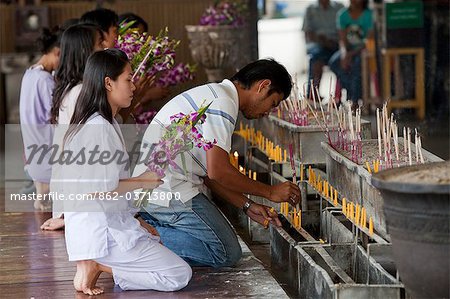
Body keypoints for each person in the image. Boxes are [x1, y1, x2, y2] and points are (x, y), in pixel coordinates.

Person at [134, 59, 301, 267]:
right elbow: (218, 172)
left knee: (220, 246)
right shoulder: (223, 103)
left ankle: (145, 226)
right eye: (273, 103)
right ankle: (136, 236)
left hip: (155, 187)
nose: (268, 112)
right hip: (167, 190)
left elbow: (208, 174)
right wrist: (270, 192)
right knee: (225, 252)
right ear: (263, 86)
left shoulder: (216, 94)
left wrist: (247, 205)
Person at [61, 48, 192, 295]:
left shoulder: (105, 122)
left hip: (104, 224)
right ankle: (98, 264)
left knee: (161, 249)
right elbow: (98, 189)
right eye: (129, 79)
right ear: (108, 83)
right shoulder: (98, 127)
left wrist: (137, 220)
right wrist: (143, 181)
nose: (134, 86)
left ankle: (97, 263)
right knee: (178, 275)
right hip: (101, 232)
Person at [40, 23, 103, 230]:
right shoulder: (79, 93)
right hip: (77, 201)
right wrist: (68, 214)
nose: (104, 48)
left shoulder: (73, 88)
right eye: (99, 43)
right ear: (86, 52)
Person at [19, 27, 62, 210]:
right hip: (47, 154)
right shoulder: (45, 80)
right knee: (48, 208)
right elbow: (55, 117)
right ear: (57, 52)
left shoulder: (30, 73)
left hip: (34, 151)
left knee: (42, 205)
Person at [329, 0, 374, 106]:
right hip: (348, 50)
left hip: (364, 51)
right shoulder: (342, 15)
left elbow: (368, 41)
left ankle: (354, 100)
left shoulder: (369, 15)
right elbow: (342, 40)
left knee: (357, 64)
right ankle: (354, 92)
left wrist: (350, 54)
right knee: (334, 62)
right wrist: (345, 53)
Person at [302, 0, 344, 95]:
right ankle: (313, 96)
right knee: (316, 58)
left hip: (336, 45)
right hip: (317, 45)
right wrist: (324, 41)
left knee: (341, 60)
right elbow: (308, 33)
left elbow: (345, 30)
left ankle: (337, 97)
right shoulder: (310, 9)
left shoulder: (339, 7)